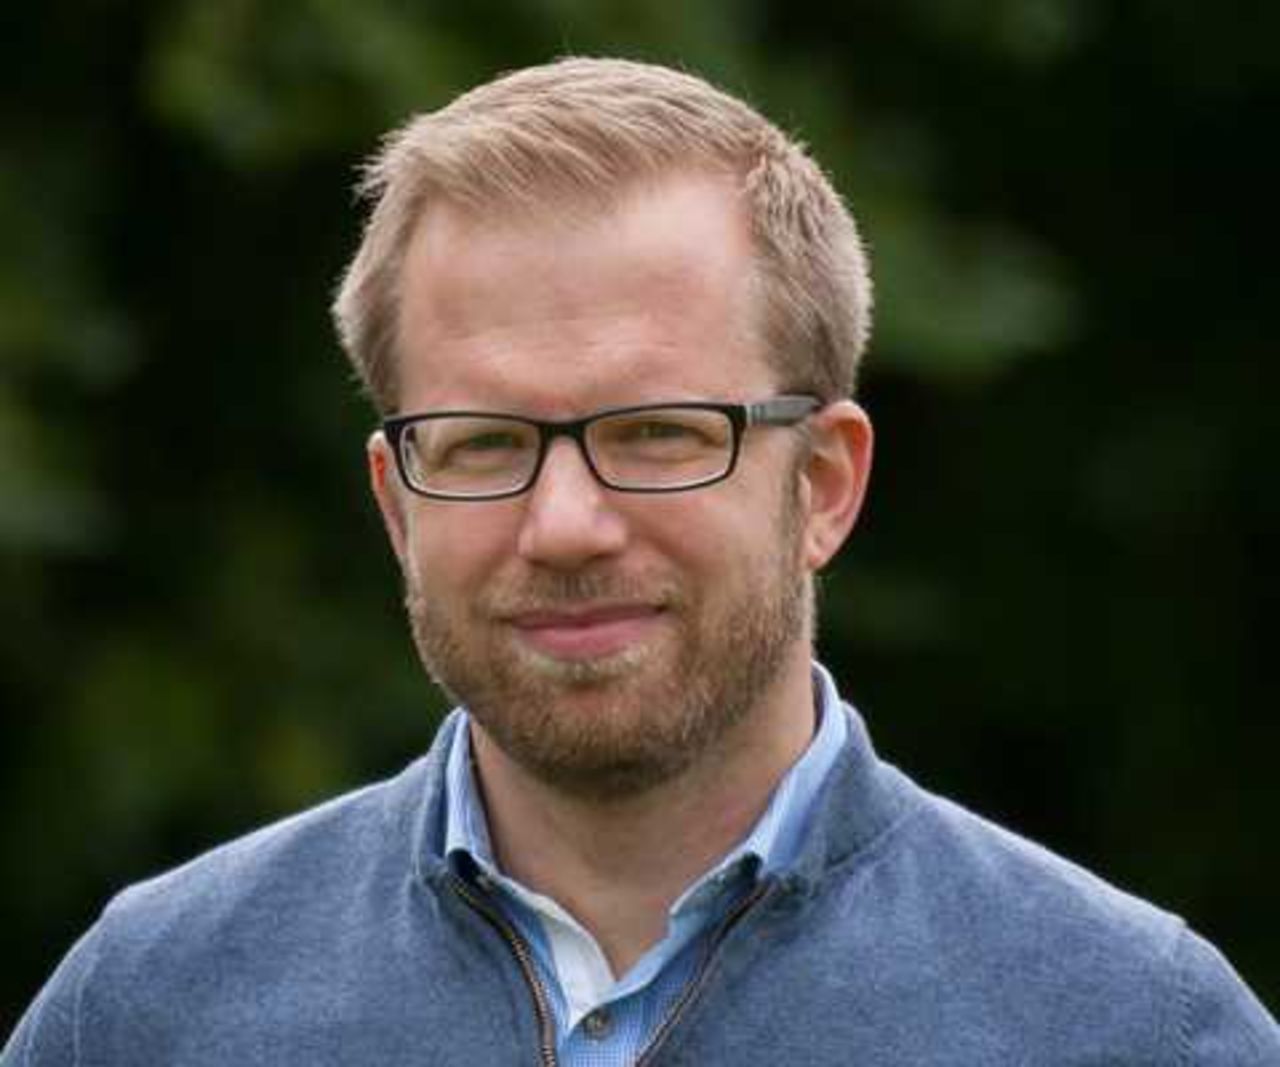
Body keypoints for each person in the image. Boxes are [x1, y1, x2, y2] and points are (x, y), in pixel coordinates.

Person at [4, 57, 1276, 1067]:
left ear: (823, 484)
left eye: (657, 432)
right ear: (396, 504)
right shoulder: (151, 1008)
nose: (564, 523)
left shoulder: (1128, 1027)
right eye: (484, 441)